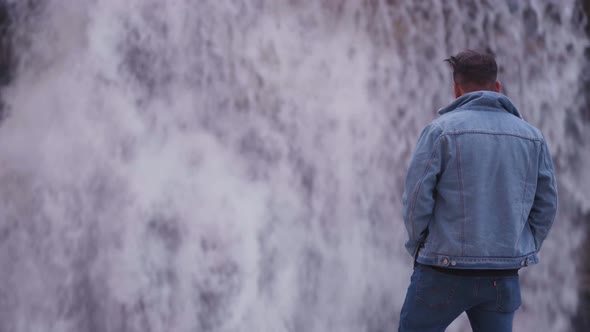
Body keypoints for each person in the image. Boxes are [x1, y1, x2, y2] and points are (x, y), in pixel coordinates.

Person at [398, 49, 558, 332]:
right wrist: (519, 247)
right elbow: (546, 205)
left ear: (456, 90)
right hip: (502, 275)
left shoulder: (440, 131)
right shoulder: (533, 137)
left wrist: (419, 245)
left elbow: (415, 201)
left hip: (441, 269)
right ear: (497, 87)